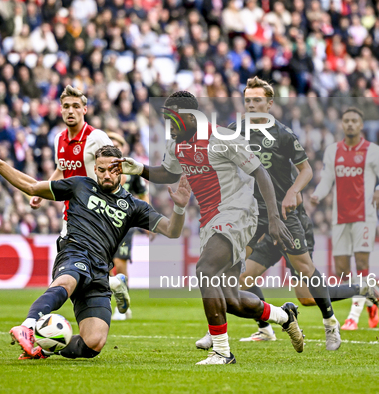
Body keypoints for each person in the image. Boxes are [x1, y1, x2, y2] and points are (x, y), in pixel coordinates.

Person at [110, 91, 304, 365]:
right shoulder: (176, 144)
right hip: (211, 219)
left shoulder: (222, 137)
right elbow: (170, 173)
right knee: (232, 300)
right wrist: (138, 168)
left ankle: (223, 352)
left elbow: (260, 172)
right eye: (166, 119)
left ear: (191, 117)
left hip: (238, 211)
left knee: (205, 270)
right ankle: (285, 315)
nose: (169, 125)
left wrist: (273, 218)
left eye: (173, 119)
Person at [0, 142, 191, 360]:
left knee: (94, 343)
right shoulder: (80, 186)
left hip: (99, 271)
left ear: (121, 170)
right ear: (95, 169)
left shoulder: (134, 206)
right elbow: (32, 186)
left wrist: (180, 208)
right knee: (67, 281)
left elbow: (172, 231)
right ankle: (27, 327)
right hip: (75, 252)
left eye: (112, 170)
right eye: (101, 169)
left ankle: (45, 348)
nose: (107, 174)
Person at [194, 77, 342, 351]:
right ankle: (218, 329)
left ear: (270, 104)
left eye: (257, 100)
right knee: (232, 275)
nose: (251, 105)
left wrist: (292, 191)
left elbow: (306, 170)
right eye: (248, 100)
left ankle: (330, 323)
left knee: (305, 269)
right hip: (247, 213)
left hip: (283, 212)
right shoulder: (234, 130)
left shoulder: (284, 134)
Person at [197, 165, 379, 346]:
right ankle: (262, 329)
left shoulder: (278, 163)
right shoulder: (249, 163)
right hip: (268, 230)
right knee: (241, 277)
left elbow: (296, 197)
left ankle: (362, 289)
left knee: (307, 298)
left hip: (292, 228)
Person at [29, 85, 132, 317]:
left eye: (76, 106)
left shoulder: (95, 137)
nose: (70, 111)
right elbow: (61, 169)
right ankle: (113, 283)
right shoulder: (58, 139)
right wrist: (42, 191)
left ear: (85, 109)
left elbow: (119, 169)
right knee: (74, 266)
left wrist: (114, 201)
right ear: (60, 110)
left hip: (96, 215)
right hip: (72, 213)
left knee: (67, 270)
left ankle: (38, 317)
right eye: (66, 106)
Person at [311, 107, 379, 330]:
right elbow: (327, 179)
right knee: (341, 270)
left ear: (361, 125)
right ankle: (370, 301)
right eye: (346, 120)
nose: (349, 124)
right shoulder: (333, 151)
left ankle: (352, 317)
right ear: (341, 124)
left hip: (364, 215)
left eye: (354, 121)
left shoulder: (373, 151)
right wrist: (316, 195)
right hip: (340, 216)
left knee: (362, 264)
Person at [107, 132, 150, 321]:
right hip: (104, 223)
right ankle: (108, 303)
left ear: (123, 148)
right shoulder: (101, 170)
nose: (114, 147)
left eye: (117, 144)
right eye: (111, 144)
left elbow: (143, 195)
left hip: (125, 224)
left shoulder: (131, 172)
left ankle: (122, 307)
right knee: (105, 266)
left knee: (119, 263)